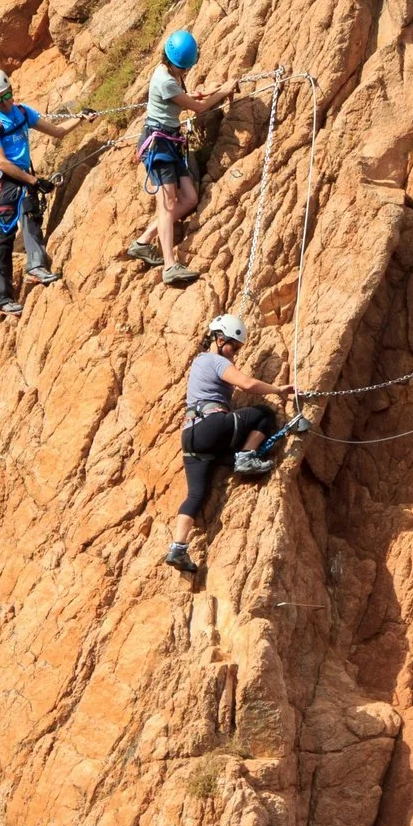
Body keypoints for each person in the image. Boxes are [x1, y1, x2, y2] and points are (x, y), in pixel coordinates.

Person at [163, 313, 294, 574]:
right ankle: (247, 456)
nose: (234, 354)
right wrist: (278, 390)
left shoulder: (199, 363)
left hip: (191, 437)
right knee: (264, 414)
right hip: (210, 426)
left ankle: (178, 547)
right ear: (219, 339)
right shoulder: (214, 360)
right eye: (233, 347)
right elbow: (246, 384)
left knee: (196, 495)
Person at [125, 29, 226, 288]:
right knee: (168, 202)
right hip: (158, 144)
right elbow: (199, 108)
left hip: (170, 142)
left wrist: (205, 91)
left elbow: (183, 100)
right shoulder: (165, 80)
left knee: (189, 198)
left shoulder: (171, 74)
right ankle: (169, 266)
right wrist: (224, 91)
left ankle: (143, 242)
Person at [0, 67, 74, 316]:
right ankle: (0, 298)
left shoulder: (21, 112)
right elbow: (0, 162)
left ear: (11, 89)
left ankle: (35, 267)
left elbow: (58, 132)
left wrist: (82, 118)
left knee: (30, 216)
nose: (4, 101)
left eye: (6, 94)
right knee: (4, 237)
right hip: (3, 182)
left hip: (21, 176)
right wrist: (33, 180)